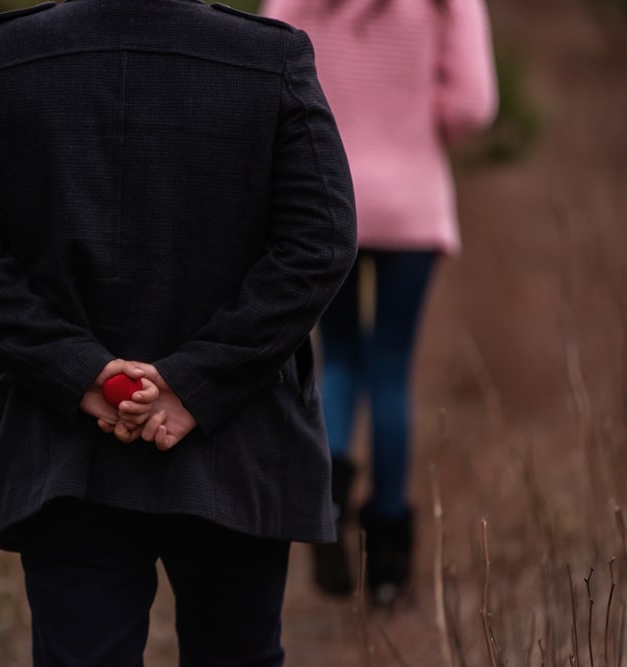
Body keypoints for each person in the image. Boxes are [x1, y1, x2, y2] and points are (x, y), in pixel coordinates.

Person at [0, 0, 357, 662]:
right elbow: (319, 242)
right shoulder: (271, 61)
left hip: (66, 447)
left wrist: (85, 374)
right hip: (239, 443)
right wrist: (191, 384)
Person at [258, 0, 498, 607]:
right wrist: (415, 120)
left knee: (336, 356)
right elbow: (474, 106)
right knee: (391, 370)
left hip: (324, 201)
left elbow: (270, 80)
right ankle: (388, 567)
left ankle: (329, 498)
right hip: (411, 200)